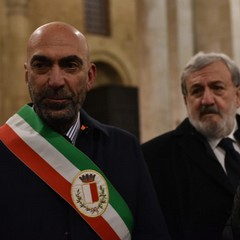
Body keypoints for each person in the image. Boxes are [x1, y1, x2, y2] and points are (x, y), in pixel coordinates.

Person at [0, 21, 171, 240]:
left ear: (90, 77)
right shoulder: (4, 149)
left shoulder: (124, 150)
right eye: (41, 65)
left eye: (70, 65)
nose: (55, 81)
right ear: (27, 75)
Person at [142, 52, 240, 240]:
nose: (207, 100)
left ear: (237, 96)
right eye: (196, 91)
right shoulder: (154, 157)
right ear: (186, 101)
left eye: (217, 88)